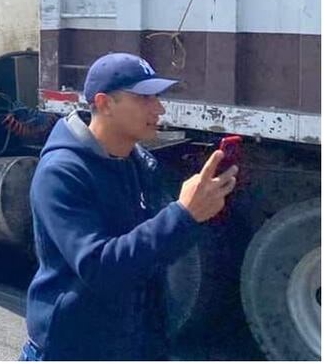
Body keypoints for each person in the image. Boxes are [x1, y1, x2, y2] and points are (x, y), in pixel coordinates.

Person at [21, 53, 239, 361]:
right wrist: (182, 215)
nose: (159, 108)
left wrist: (200, 213)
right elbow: (100, 267)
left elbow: (150, 258)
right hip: (73, 350)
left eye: (158, 97)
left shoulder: (139, 163)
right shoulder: (61, 173)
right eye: (144, 97)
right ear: (105, 102)